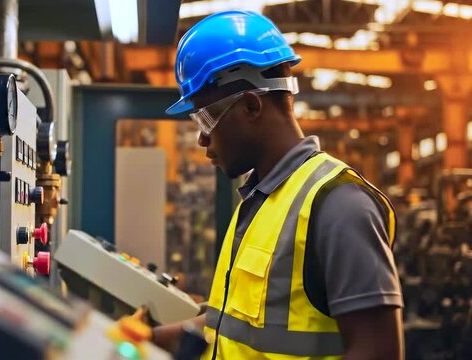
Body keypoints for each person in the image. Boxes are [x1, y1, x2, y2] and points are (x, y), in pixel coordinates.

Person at [151, 10, 404, 359]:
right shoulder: (258, 203)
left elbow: (378, 352)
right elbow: (234, 327)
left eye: (205, 118)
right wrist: (149, 337)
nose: (202, 139)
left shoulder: (339, 206)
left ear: (252, 107)